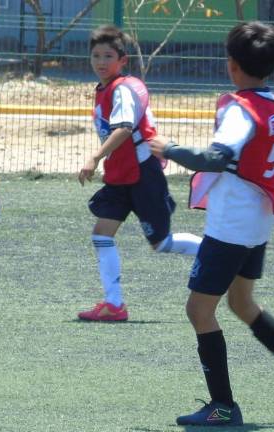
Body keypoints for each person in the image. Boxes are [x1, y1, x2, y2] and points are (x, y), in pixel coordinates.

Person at [149, 21, 274, 426]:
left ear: (232, 65)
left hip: (231, 225)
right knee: (242, 303)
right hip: (259, 222)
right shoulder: (273, 104)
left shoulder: (239, 108)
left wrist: (169, 148)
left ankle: (223, 407)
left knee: (199, 309)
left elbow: (214, 158)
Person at [77, 25, 201, 322]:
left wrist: (94, 156)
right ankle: (114, 305)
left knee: (161, 243)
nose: (101, 62)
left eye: (108, 55)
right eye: (96, 55)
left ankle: (219, 252)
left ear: (123, 60)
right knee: (101, 234)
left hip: (143, 175)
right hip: (121, 175)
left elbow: (124, 128)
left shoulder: (124, 88)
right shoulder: (107, 88)